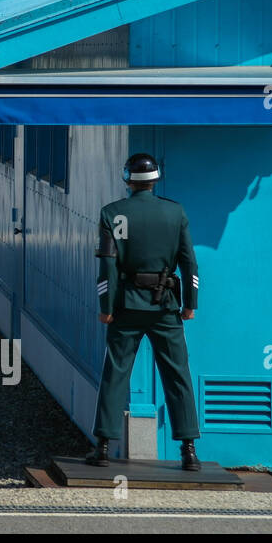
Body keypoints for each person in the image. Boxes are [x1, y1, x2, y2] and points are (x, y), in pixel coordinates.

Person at [88, 153, 201, 471]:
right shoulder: (175, 212)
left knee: (116, 373)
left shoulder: (112, 213)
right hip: (165, 306)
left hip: (125, 306)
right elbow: (189, 262)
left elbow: (107, 266)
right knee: (177, 374)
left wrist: (105, 306)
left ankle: (104, 447)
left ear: (127, 180)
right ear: (155, 179)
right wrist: (190, 302)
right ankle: (188, 450)